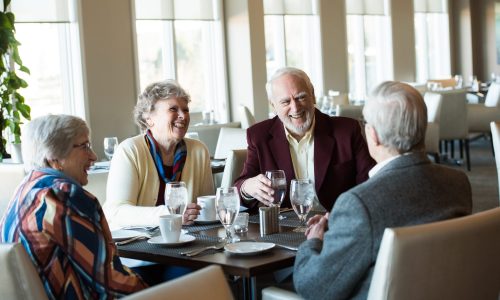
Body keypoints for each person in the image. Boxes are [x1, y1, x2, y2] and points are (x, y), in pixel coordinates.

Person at [293, 81, 473, 299]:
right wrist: (347, 224)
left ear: (373, 135)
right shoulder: (458, 182)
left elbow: (315, 288)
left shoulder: (359, 204)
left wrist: (313, 241)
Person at [0, 114, 147, 299]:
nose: (93, 157)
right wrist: (159, 293)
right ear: (55, 158)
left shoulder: (25, 189)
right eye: (84, 146)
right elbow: (110, 282)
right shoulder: (64, 195)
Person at [234, 67, 375, 211]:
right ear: (273, 105)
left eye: (301, 97)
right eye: (285, 102)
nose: (295, 108)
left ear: (312, 95)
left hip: (336, 223)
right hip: (286, 227)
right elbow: (240, 188)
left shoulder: (347, 131)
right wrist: (247, 187)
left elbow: (370, 183)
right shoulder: (259, 136)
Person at [103, 80, 214, 229]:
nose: (183, 116)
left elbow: (207, 208)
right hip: (136, 243)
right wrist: (169, 214)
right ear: (149, 118)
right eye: (173, 109)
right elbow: (117, 212)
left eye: (186, 110)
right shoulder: (129, 150)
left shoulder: (199, 151)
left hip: (185, 241)